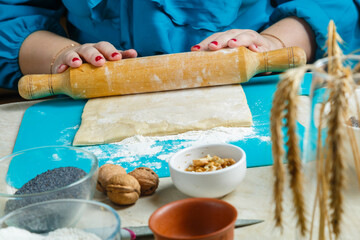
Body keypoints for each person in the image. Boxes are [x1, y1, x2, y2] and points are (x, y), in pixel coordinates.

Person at [0, 0, 359, 90]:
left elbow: (332, 5)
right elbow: (13, 12)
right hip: (94, 91)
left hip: (255, 84)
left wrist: (271, 43)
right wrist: (61, 56)